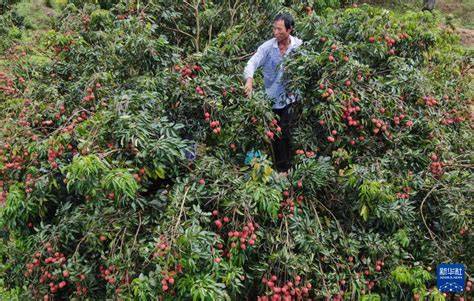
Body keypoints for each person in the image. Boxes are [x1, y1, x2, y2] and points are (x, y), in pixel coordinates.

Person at [243, 12, 302, 172]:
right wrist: (249, 79)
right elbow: (252, 62)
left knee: (286, 129)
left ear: (290, 30)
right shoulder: (267, 47)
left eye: (280, 29)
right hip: (272, 98)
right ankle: (279, 168)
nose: (276, 33)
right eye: (274, 29)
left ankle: (286, 169)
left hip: (292, 97)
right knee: (275, 134)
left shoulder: (299, 47)